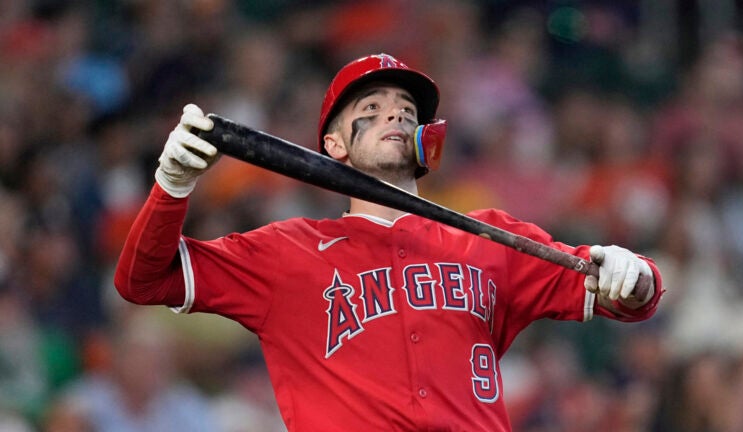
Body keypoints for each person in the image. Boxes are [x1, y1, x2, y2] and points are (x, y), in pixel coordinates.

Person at [114, 53, 664, 431]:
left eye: (405, 110)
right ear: (333, 143)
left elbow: (625, 294)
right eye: (370, 110)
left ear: (428, 140)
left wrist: (633, 273)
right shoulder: (285, 252)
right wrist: (172, 187)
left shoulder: (490, 238)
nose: (394, 114)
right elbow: (142, 280)